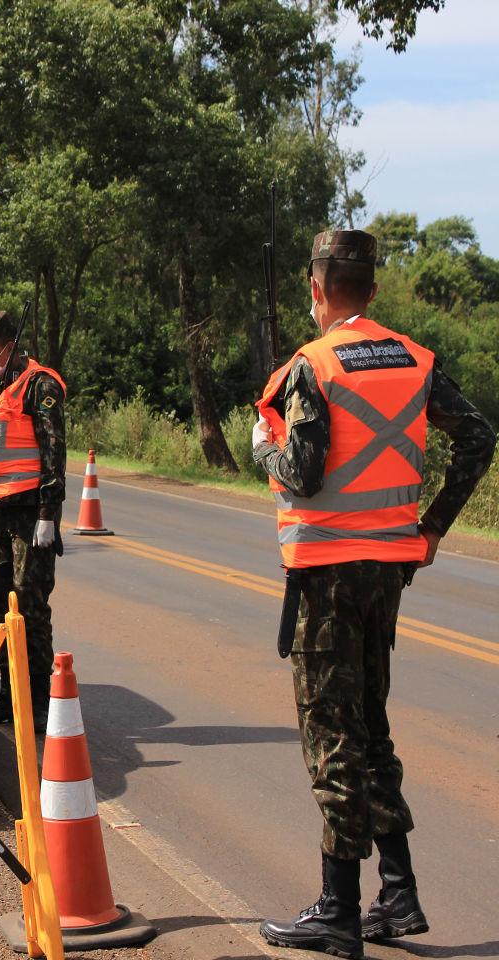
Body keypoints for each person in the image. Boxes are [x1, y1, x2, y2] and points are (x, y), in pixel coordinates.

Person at [253, 229, 495, 958]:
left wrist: (261, 439)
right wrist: (431, 530)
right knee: (369, 725)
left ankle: (337, 908)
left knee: (333, 737)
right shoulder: (415, 359)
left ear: (317, 287)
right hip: (388, 570)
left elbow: (300, 470)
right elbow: (478, 438)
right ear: (375, 290)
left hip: (326, 573)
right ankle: (397, 893)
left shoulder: (312, 366)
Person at [0, 309, 67, 727]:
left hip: (31, 515)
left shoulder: (40, 385)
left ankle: (40, 703)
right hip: (1, 513)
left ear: (8, 345)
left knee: (30, 607)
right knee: (1, 609)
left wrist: (49, 512)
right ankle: (9, 698)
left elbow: (53, 453)